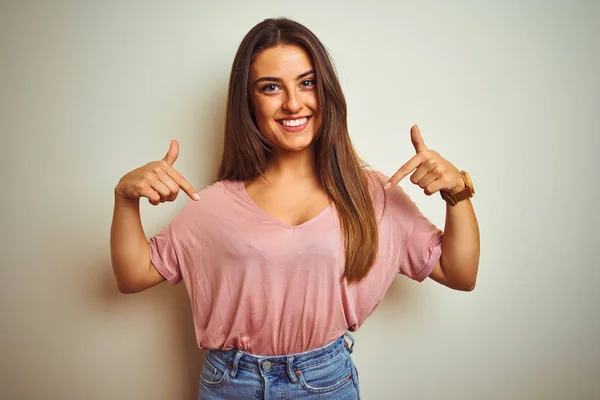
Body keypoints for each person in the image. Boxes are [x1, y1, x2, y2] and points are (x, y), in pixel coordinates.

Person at [110, 17, 480, 400]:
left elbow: (460, 272)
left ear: (326, 91)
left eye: (307, 82)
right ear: (249, 102)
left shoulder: (370, 194)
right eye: (271, 87)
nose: (293, 102)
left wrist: (458, 192)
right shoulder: (215, 204)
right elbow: (133, 275)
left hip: (324, 383)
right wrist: (125, 200)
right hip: (229, 385)